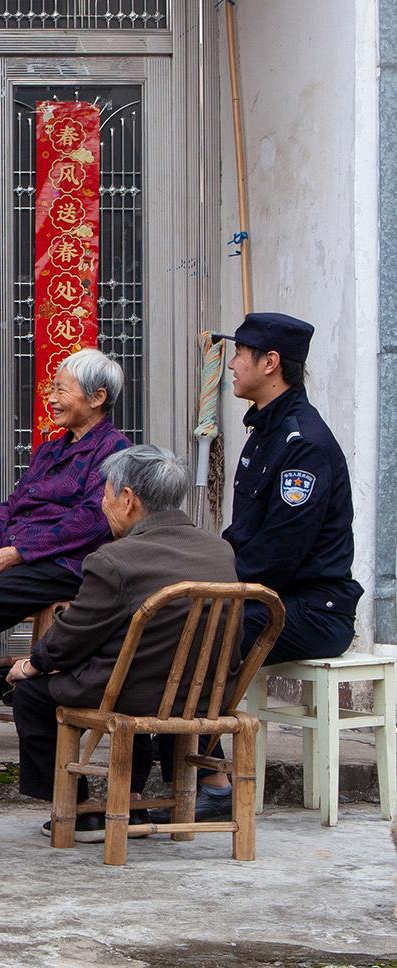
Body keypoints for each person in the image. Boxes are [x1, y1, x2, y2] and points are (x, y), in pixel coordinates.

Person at [170, 312, 362, 823]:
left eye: (239, 354)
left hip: (314, 610)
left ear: (270, 363)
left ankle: (213, 782)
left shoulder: (304, 444)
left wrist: (208, 585)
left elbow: (277, 556)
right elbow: (244, 537)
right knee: (180, 617)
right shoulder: (265, 430)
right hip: (271, 595)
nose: (231, 364)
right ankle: (181, 772)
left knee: (204, 628)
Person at [7, 445, 239, 842]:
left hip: (136, 693)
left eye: (106, 493)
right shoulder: (219, 550)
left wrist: (33, 663)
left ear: (128, 499)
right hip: (205, 693)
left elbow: (73, 635)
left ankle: (79, 810)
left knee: (32, 694)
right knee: (126, 671)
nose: (103, 503)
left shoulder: (116, 559)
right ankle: (131, 801)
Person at [0, 347, 131, 635]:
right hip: (16, 554)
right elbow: (12, 504)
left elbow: (93, 518)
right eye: (52, 389)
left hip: (64, 564)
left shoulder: (114, 450)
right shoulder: (49, 450)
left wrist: (19, 552)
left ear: (97, 398)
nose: (51, 399)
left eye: (61, 390)